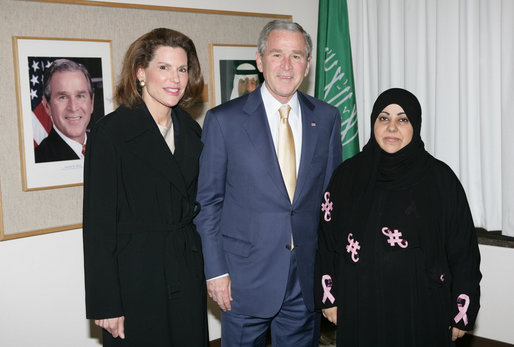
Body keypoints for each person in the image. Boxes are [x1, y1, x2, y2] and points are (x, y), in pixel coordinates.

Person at [196, 19, 342, 346]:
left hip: (305, 279)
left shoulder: (328, 118)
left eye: (296, 56)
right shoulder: (224, 121)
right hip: (243, 281)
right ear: (260, 61)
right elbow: (208, 204)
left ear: (308, 64)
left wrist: (331, 273)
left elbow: (331, 205)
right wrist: (215, 272)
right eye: (277, 54)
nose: (286, 65)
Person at [315, 88, 481, 346]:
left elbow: (464, 251)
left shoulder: (440, 179)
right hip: (360, 304)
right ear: (373, 123)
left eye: (402, 119)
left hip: (422, 307)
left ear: (415, 125)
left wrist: (462, 308)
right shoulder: (347, 176)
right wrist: (329, 296)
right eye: (384, 118)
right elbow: (326, 241)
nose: (392, 127)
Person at [82, 28, 208, 346]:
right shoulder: (110, 133)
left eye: (182, 69)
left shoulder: (192, 131)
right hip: (135, 278)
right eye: (163, 67)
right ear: (141, 73)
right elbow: (98, 225)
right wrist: (106, 303)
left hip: (185, 269)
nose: (175, 79)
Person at [35, 59, 94, 163]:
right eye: (63, 97)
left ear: (92, 103)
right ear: (47, 106)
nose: (73, 107)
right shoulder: (40, 159)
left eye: (80, 96)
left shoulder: (107, 148)